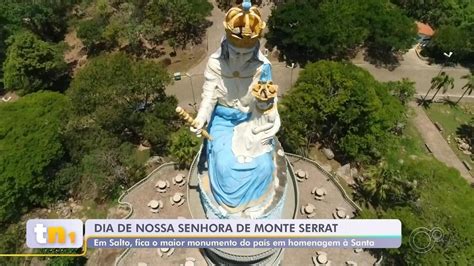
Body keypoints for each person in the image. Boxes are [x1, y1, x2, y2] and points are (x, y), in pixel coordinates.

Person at [190, 1, 280, 212]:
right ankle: (230, 204)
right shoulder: (215, 63)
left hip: (250, 119)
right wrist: (202, 118)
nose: (240, 58)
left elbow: (267, 100)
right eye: (235, 52)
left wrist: (266, 107)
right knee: (225, 167)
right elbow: (209, 95)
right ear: (226, 46)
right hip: (222, 120)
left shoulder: (263, 67)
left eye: (246, 54)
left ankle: (255, 202)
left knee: (264, 166)